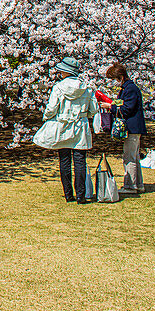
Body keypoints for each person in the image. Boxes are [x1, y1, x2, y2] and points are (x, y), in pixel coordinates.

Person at [33, 57, 99, 204]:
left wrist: (46, 117)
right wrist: (84, 115)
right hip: (80, 126)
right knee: (80, 161)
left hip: (63, 125)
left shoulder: (58, 87)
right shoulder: (87, 88)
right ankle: (81, 195)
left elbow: (51, 108)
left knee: (64, 160)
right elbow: (94, 109)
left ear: (65, 72)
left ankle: (68, 194)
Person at [107, 63, 146, 196]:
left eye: (114, 79)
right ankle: (138, 184)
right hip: (134, 127)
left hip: (132, 127)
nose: (114, 83)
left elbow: (127, 108)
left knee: (129, 157)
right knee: (134, 156)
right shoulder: (127, 88)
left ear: (121, 77)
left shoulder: (130, 89)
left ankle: (130, 185)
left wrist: (111, 107)